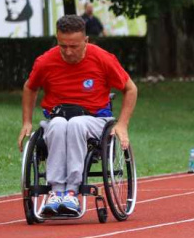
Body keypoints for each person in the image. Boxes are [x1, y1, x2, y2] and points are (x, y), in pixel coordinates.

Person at [17, 15, 138, 216]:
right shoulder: (46, 61)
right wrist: (26, 122)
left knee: (75, 124)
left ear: (86, 41)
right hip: (58, 118)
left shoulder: (102, 58)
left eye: (74, 46)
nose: (68, 51)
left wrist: (123, 124)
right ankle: (56, 193)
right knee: (57, 125)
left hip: (95, 119)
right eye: (63, 46)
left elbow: (131, 89)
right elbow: (30, 88)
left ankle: (72, 191)